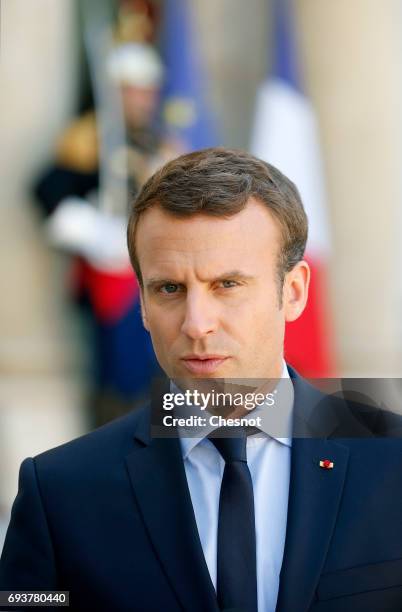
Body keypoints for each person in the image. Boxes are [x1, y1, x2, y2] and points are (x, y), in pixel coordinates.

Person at [1, 148, 402, 612]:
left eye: (227, 285)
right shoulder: (61, 491)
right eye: (169, 289)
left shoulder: (392, 461)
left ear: (292, 293)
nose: (196, 324)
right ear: (144, 306)